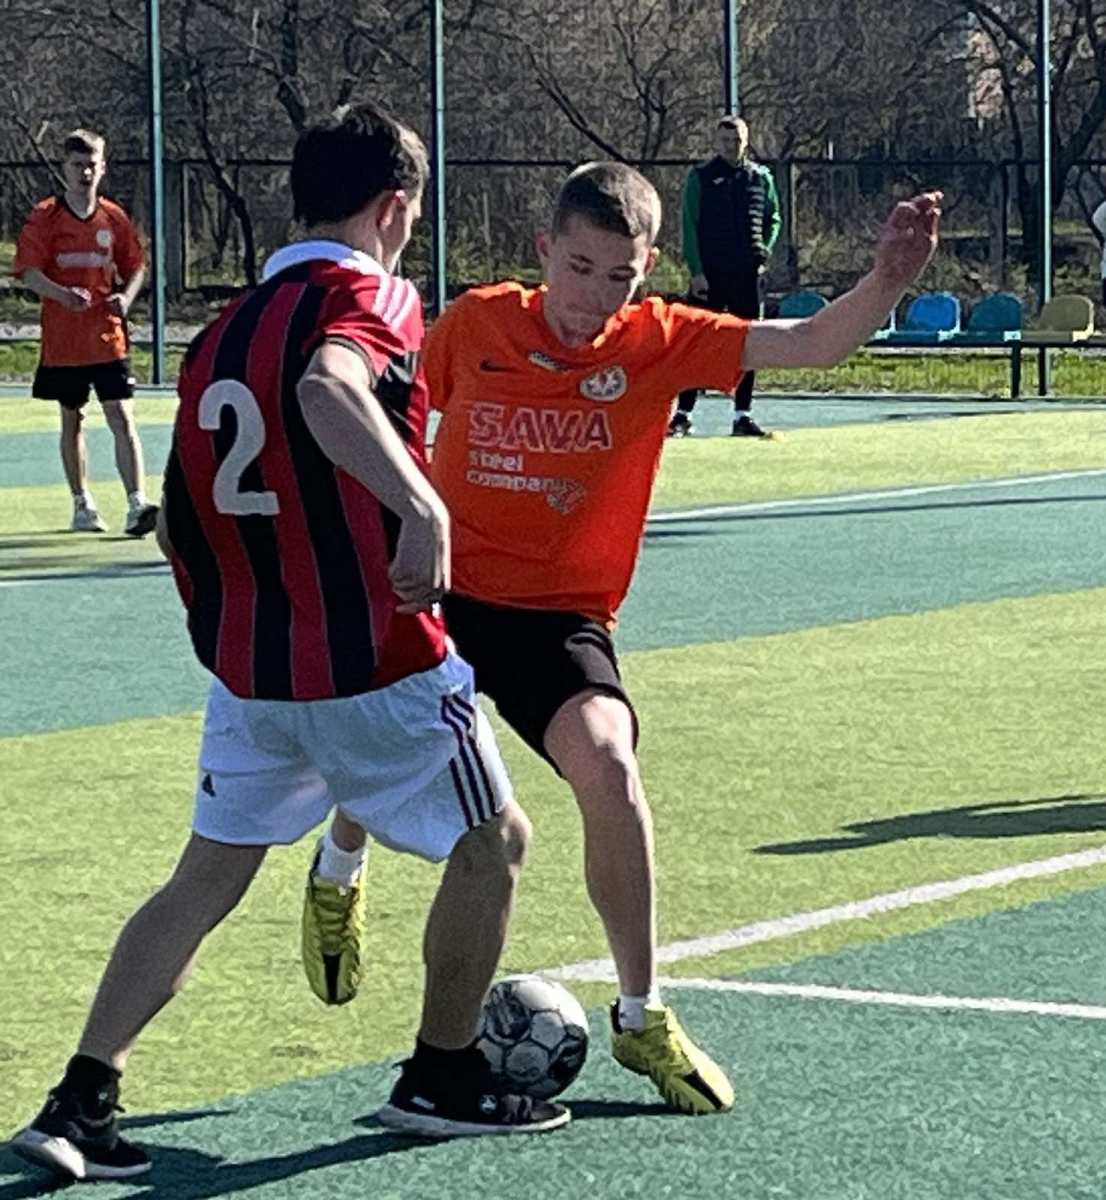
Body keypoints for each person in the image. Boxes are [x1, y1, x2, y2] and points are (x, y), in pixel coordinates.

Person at [302, 161, 942, 1116]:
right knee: (393, 759)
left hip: (559, 614)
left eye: (620, 277)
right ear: (544, 252)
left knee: (611, 767)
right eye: (579, 268)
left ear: (646, 274)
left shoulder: (661, 341)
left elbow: (810, 343)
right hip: (440, 589)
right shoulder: (474, 324)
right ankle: (339, 867)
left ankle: (641, 1014)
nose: (594, 296)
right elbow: (377, 412)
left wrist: (887, 279)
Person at [10, 103, 570, 1185]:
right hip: (376, 659)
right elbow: (327, 386)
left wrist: (228, 624)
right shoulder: (372, 296)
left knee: (203, 880)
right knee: (492, 843)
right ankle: (441, 1074)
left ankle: (81, 1096)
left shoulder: (225, 328)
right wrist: (422, 506)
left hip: (252, 670)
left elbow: (178, 513)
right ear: (393, 209)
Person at [13, 128, 159, 536]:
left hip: (108, 338)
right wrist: (62, 294)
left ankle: (137, 503)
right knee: (73, 418)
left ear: (103, 167)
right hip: (65, 344)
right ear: (65, 167)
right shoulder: (46, 217)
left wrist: (126, 297)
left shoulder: (114, 217)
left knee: (121, 415)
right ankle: (82, 504)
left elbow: (136, 267)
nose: (86, 173)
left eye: (92, 164)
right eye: (78, 165)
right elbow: (28, 272)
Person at [668, 114, 781, 439]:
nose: (731, 146)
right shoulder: (701, 177)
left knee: (748, 343)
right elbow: (689, 225)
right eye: (725, 140)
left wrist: (764, 251)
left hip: (746, 274)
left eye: (737, 140)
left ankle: (742, 415)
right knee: (697, 341)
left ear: (746, 141)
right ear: (716, 143)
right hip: (710, 274)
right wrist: (696, 271)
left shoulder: (761, 177)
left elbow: (774, 217)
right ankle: (683, 415)